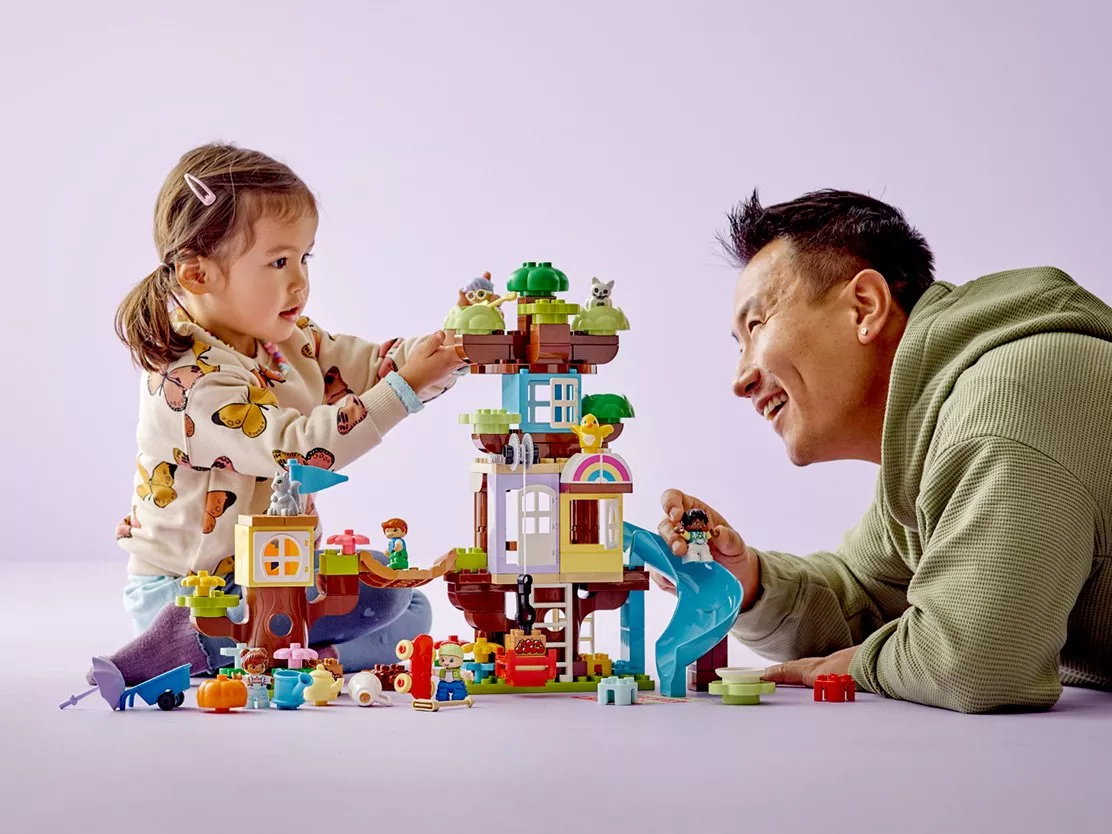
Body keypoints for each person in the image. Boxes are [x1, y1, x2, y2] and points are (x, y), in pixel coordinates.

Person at [656, 188, 1112, 713]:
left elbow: (979, 662)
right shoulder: (937, 423)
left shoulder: (1007, 404)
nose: (741, 378)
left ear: (865, 307)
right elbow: (863, 596)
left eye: (756, 325)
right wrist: (750, 582)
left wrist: (851, 665)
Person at [101, 142, 467, 685]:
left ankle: (290, 658)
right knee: (389, 616)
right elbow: (296, 450)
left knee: (410, 609)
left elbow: (369, 365)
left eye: (304, 257)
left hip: (275, 577)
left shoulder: (284, 339)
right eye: (278, 261)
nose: (299, 281)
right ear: (198, 275)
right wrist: (405, 389)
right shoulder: (192, 383)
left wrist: (450, 348)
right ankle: (192, 648)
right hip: (191, 591)